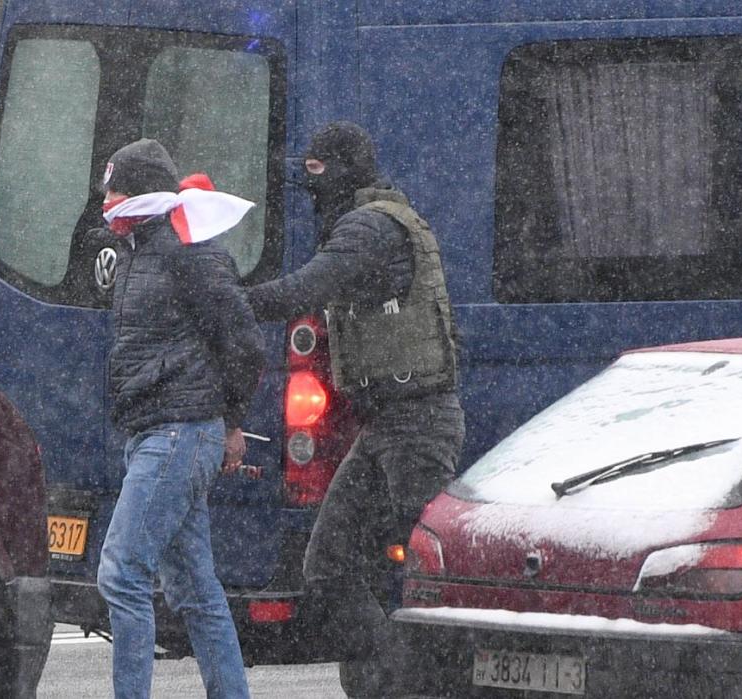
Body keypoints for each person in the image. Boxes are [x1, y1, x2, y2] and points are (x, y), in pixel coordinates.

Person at [247, 122, 465, 659]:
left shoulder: (369, 229)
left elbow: (305, 289)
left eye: (317, 171)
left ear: (344, 171)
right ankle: (397, 673)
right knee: (327, 566)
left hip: (417, 423)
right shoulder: (369, 222)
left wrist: (222, 296)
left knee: (431, 574)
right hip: (385, 424)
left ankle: (442, 676)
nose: (310, 185)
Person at [94, 138, 264, 699]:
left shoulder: (190, 253)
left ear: (144, 195)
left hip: (176, 434)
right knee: (195, 587)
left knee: (122, 573)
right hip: (159, 433)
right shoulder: (141, 249)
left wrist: (230, 421)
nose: (106, 202)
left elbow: (244, 343)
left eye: (116, 189)